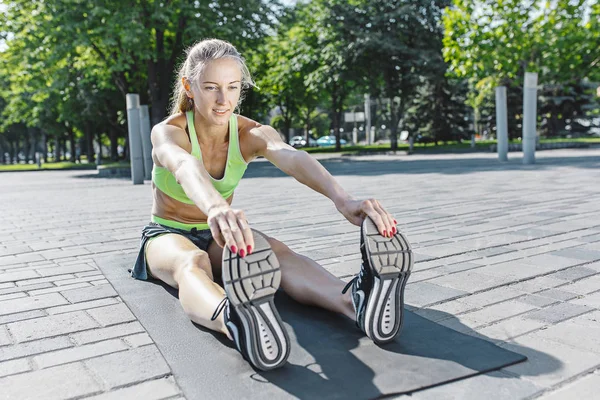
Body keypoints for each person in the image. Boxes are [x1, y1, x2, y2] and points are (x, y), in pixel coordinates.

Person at [131, 38, 413, 371]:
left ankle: (355, 302)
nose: (224, 100)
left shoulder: (250, 132)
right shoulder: (168, 132)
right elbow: (184, 166)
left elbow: (291, 158)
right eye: (211, 88)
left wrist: (343, 198)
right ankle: (233, 319)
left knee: (274, 253)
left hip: (218, 234)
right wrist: (215, 207)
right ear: (188, 86)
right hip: (167, 233)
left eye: (233, 87)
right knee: (191, 263)